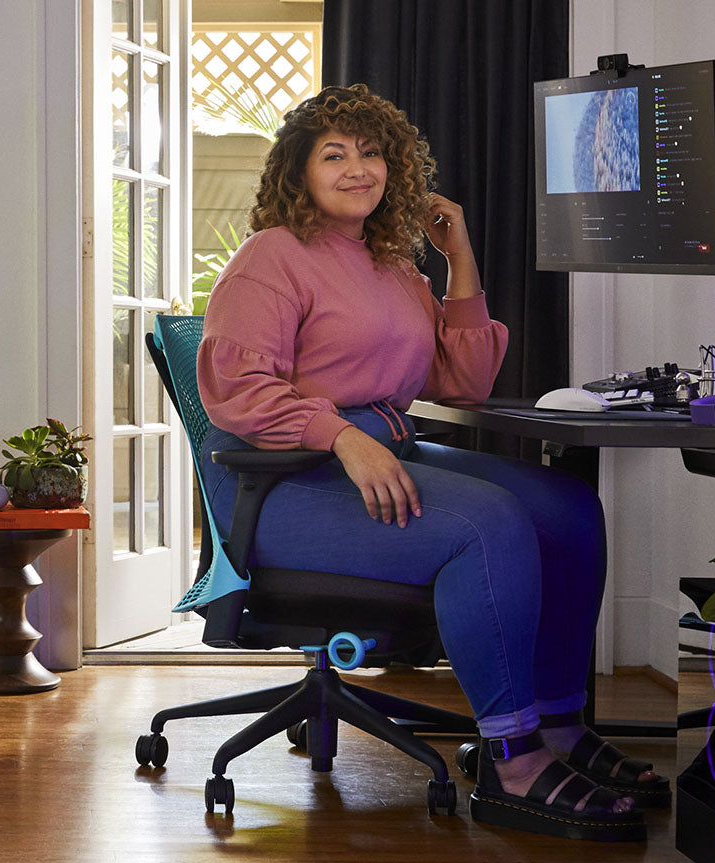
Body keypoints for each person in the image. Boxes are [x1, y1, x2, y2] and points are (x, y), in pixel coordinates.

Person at [196, 84, 668, 842]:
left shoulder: (390, 262)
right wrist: (342, 437)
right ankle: (511, 760)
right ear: (300, 170)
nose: (359, 168)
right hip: (284, 482)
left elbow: (463, 381)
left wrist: (459, 256)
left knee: (569, 510)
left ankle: (558, 726)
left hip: (380, 452)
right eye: (335, 154)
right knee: (486, 525)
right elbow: (237, 392)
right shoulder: (272, 257)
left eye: (372, 152)